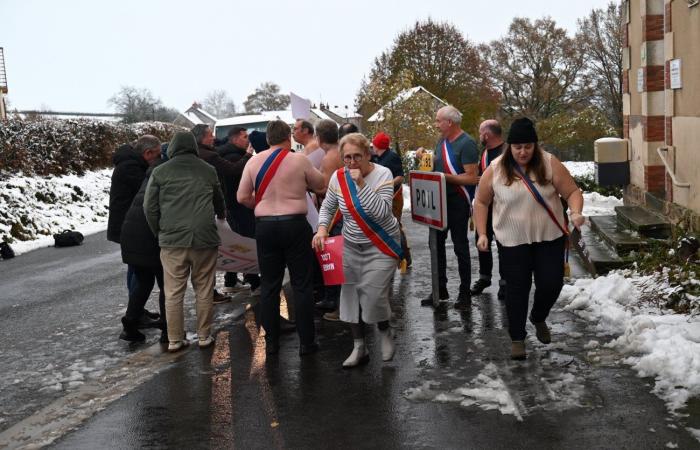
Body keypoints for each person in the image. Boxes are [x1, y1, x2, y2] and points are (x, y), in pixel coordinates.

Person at [473, 117, 584, 360]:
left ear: (535, 145)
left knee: (551, 283)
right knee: (516, 289)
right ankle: (517, 338)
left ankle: (538, 316)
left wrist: (575, 212)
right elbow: (481, 201)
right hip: (512, 242)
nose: (523, 152)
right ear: (509, 147)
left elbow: (572, 191)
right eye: (517, 147)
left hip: (549, 238)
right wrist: (482, 233)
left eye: (528, 147)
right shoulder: (496, 168)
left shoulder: (548, 163)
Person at [313, 133, 401, 368]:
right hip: (351, 244)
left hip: (381, 243)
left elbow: (382, 212)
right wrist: (322, 229)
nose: (352, 162)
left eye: (357, 157)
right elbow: (329, 206)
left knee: (373, 296)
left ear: (368, 154)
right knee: (350, 296)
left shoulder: (383, 174)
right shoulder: (338, 177)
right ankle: (359, 346)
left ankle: (384, 332)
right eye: (347, 157)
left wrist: (361, 184)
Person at [237, 120, 325, 356]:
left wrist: (263, 204)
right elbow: (320, 185)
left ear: (267, 140)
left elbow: (242, 196)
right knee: (302, 285)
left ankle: (272, 342)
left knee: (270, 284)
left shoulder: (253, 162)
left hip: (265, 226)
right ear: (289, 138)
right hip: (295, 224)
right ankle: (307, 343)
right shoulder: (299, 159)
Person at [144, 131, 226, 352]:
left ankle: (174, 340)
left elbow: (149, 207)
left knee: (173, 292)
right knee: (204, 289)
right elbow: (218, 199)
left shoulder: (160, 172)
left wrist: (159, 232)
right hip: (204, 239)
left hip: (172, 240)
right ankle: (204, 336)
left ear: (171, 148)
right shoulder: (208, 170)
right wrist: (221, 214)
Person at [415, 106, 479, 309]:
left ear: (449, 122)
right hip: (438, 201)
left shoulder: (467, 143)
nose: (436, 125)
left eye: (438, 121)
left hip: (458, 202)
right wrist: (424, 157)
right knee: (435, 245)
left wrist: (444, 178)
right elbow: (437, 165)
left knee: (460, 247)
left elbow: (472, 177)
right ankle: (439, 288)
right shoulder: (441, 141)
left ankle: (464, 293)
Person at [192, 124, 252, 302]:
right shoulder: (210, 156)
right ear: (202, 138)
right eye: (210, 135)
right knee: (209, 254)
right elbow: (231, 172)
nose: (213, 138)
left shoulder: (201, 154)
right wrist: (249, 156)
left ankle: (221, 286)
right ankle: (208, 295)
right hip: (209, 210)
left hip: (193, 213)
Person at [108, 136, 163, 328]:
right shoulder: (131, 167)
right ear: (147, 153)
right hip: (128, 225)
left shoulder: (129, 162)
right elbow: (149, 190)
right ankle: (135, 312)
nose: (159, 159)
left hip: (126, 223)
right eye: (157, 155)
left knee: (137, 269)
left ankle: (136, 310)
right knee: (138, 271)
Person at [119, 141, 167, 343]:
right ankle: (169, 330)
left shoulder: (150, 172)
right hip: (149, 236)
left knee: (144, 281)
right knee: (168, 284)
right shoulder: (167, 174)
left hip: (131, 234)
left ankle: (130, 325)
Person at [215, 126, 260, 295]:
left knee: (235, 241)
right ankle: (255, 282)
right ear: (234, 139)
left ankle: (231, 280)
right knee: (246, 242)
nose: (248, 139)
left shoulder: (224, 155)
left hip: (231, 206)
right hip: (239, 206)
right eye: (244, 137)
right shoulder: (235, 158)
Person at [470, 120, 507, 299]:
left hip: (503, 207)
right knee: (482, 241)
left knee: (503, 245)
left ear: (487, 135)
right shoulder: (485, 153)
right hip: (485, 206)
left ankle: (505, 282)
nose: (479, 136)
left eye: (480, 133)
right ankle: (485, 278)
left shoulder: (507, 153)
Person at [312, 120, 345, 319]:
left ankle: (339, 306)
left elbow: (326, 189)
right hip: (347, 211)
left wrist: (310, 185)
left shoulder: (328, 158)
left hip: (336, 214)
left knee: (336, 259)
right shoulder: (343, 152)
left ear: (319, 138)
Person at [371, 131, 411, 268]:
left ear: (378, 145)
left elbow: (400, 177)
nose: (372, 147)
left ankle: (405, 256)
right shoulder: (375, 157)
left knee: (394, 225)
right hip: (380, 196)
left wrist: (386, 184)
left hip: (394, 196)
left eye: (374, 144)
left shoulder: (392, 157)